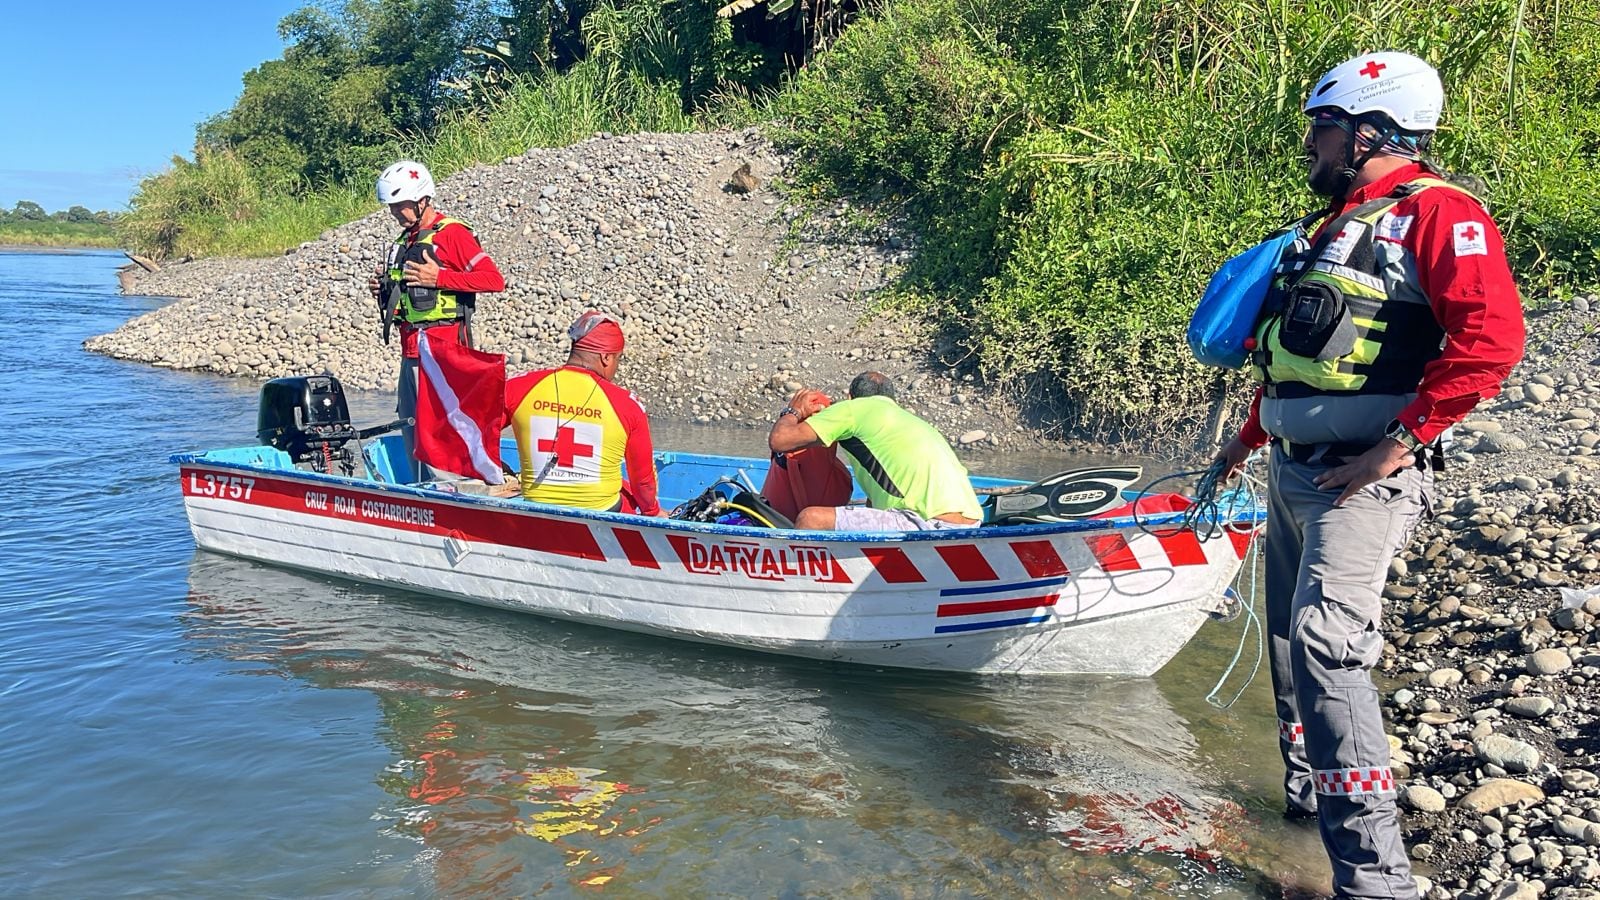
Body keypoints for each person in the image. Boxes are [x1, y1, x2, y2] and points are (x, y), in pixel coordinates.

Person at [1214, 51, 1525, 899]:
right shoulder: (1336, 223)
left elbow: (1490, 343)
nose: (1311, 146)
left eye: (1322, 128)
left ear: (1369, 131)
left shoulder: (1443, 215)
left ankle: (1375, 879)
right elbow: (1304, 359)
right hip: (1291, 466)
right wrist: (1248, 437)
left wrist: (1402, 444)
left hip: (1361, 479)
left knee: (1326, 644)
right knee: (1285, 646)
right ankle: (1304, 814)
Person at [368, 159, 505, 482]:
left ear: (422, 200)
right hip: (411, 351)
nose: (395, 214)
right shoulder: (405, 242)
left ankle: (453, 492)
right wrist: (385, 287)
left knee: (440, 428)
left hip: (442, 354)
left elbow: (493, 280)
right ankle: (420, 491)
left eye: (401, 206)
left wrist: (439, 277)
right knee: (411, 423)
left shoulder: (453, 235)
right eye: (392, 207)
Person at [768, 372, 982, 531]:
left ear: (851, 397)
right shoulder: (913, 422)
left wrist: (792, 410)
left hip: (926, 522)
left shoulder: (852, 410)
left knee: (811, 519)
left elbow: (780, 441)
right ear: (892, 399)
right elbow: (875, 504)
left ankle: (802, 586)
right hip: (971, 522)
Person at [502, 311, 660, 516]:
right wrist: (653, 512)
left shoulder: (518, 387)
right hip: (603, 511)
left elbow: (473, 435)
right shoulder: (627, 405)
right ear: (605, 358)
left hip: (537, 507)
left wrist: (498, 471)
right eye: (617, 360)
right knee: (628, 491)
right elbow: (644, 482)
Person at [760, 387, 855, 522]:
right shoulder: (842, 479)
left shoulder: (782, 444)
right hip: (796, 525)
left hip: (768, 519)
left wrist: (792, 412)